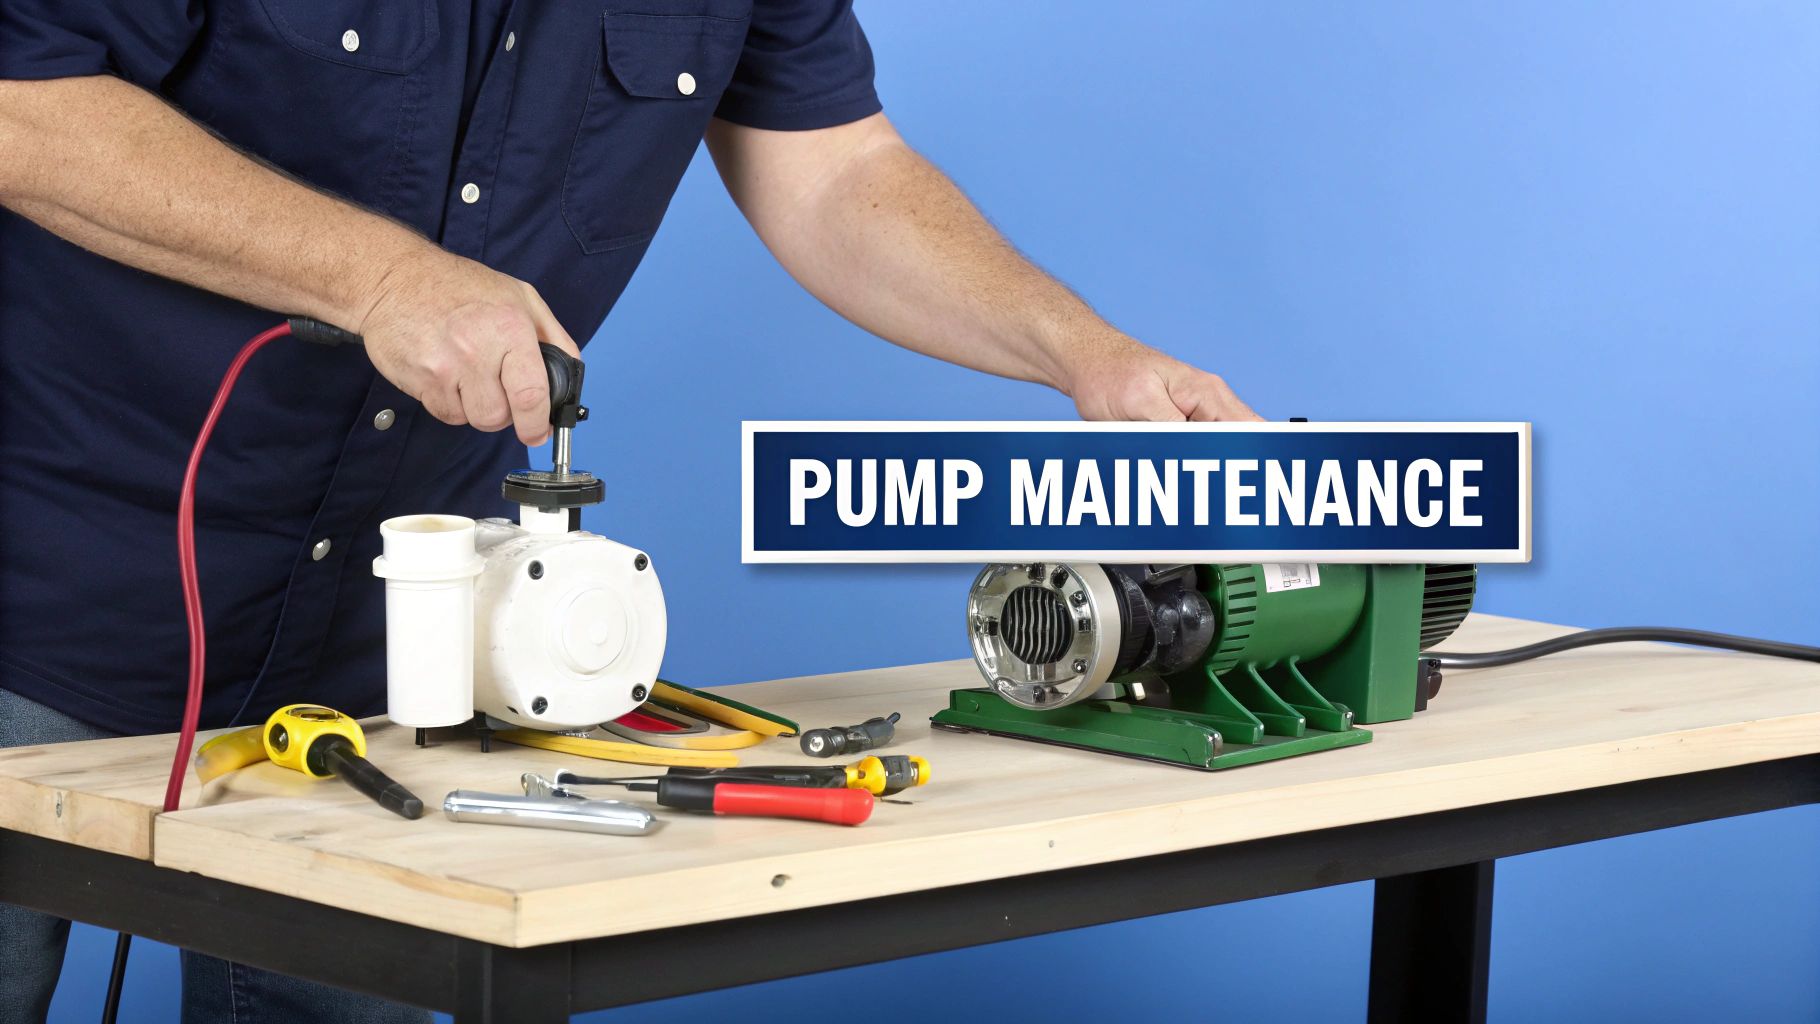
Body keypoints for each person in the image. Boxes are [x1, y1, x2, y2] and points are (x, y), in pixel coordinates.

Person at [0, 1, 1258, 1020]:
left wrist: (1080, 352)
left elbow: (834, 169)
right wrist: (380, 278)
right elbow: (23, 104)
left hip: (382, 637)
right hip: (50, 574)